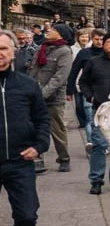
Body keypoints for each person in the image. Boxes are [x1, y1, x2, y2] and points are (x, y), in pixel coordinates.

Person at [0, 32, 50, 226]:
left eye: (3, 49)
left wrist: (38, 146)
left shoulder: (27, 85)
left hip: (20, 160)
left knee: (27, 214)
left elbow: (42, 120)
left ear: (13, 52)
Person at [79, 33, 110, 194]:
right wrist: (90, 96)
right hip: (100, 109)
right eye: (109, 42)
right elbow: (83, 81)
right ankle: (96, 180)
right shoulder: (94, 62)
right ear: (103, 45)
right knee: (99, 144)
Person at [31, 22, 75, 172]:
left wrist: (43, 94)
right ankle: (38, 159)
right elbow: (33, 70)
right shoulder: (42, 47)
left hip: (53, 98)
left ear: (61, 35)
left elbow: (60, 77)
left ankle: (64, 158)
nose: (49, 31)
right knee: (34, 128)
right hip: (35, 94)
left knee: (57, 129)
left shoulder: (64, 51)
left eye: (54, 29)